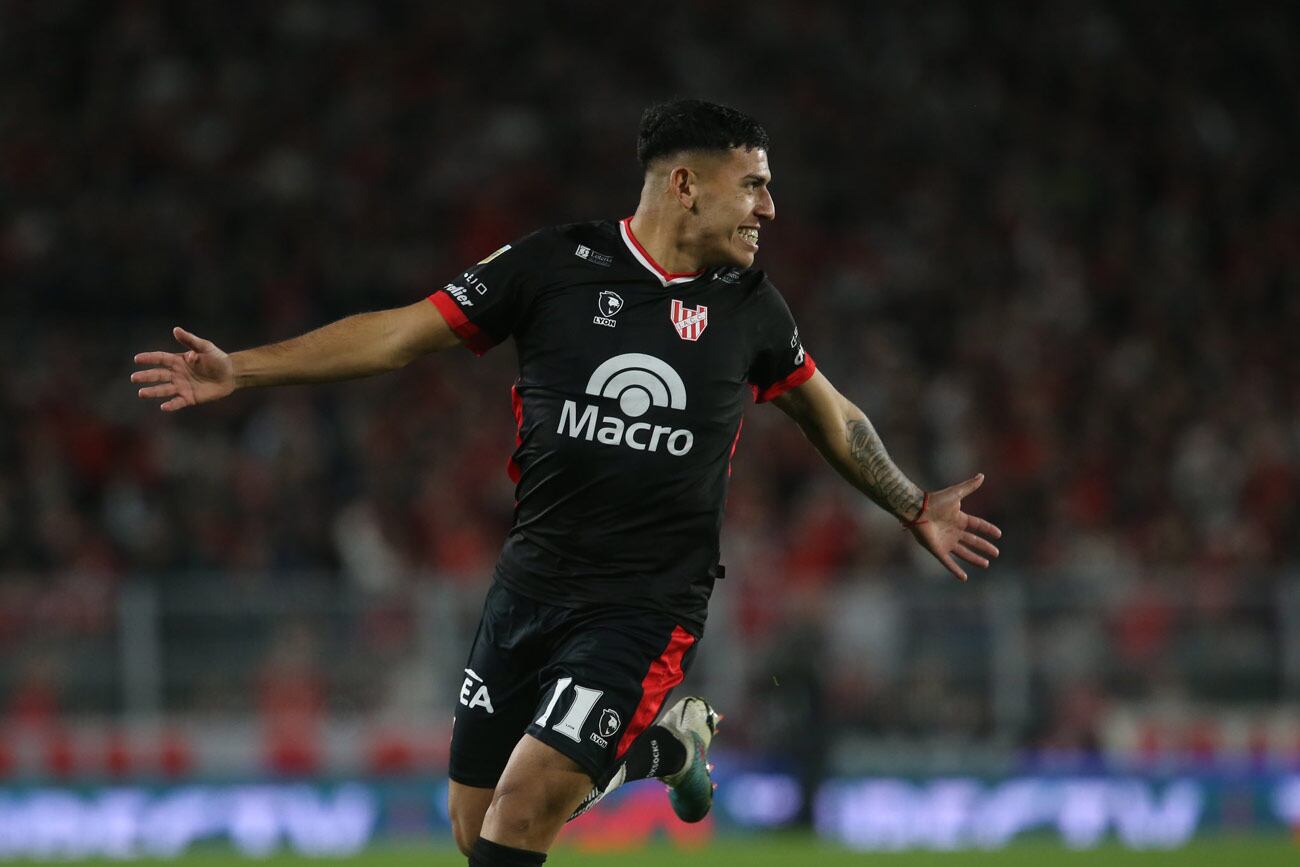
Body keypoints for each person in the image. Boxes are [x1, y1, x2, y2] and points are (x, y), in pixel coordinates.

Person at [132, 98, 1002, 866]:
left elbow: (831, 412)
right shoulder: (553, 266)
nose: (769, 208)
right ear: (688, 185)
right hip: (528, 586)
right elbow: (401, 333)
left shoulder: (750, 308)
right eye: (754, 187)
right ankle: (667, 751)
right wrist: (240, 371)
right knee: (476, 832)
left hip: (643, 604)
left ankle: (650, 734)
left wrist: (912, 501)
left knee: (522, 811)